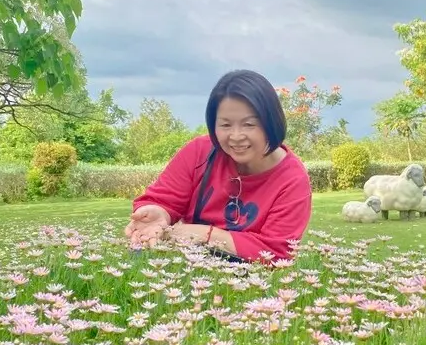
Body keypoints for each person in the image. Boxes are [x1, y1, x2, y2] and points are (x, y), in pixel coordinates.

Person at [124, 69, 312, 263]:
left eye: (249, 124)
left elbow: (276, 252)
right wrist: (158, 212)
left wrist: (205, 235)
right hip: (187, 267)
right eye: (225, 125)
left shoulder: (292, 180)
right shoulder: (198, 152)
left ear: (271, 122)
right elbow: (163, 199)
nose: (236, 136)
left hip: (250, 275)